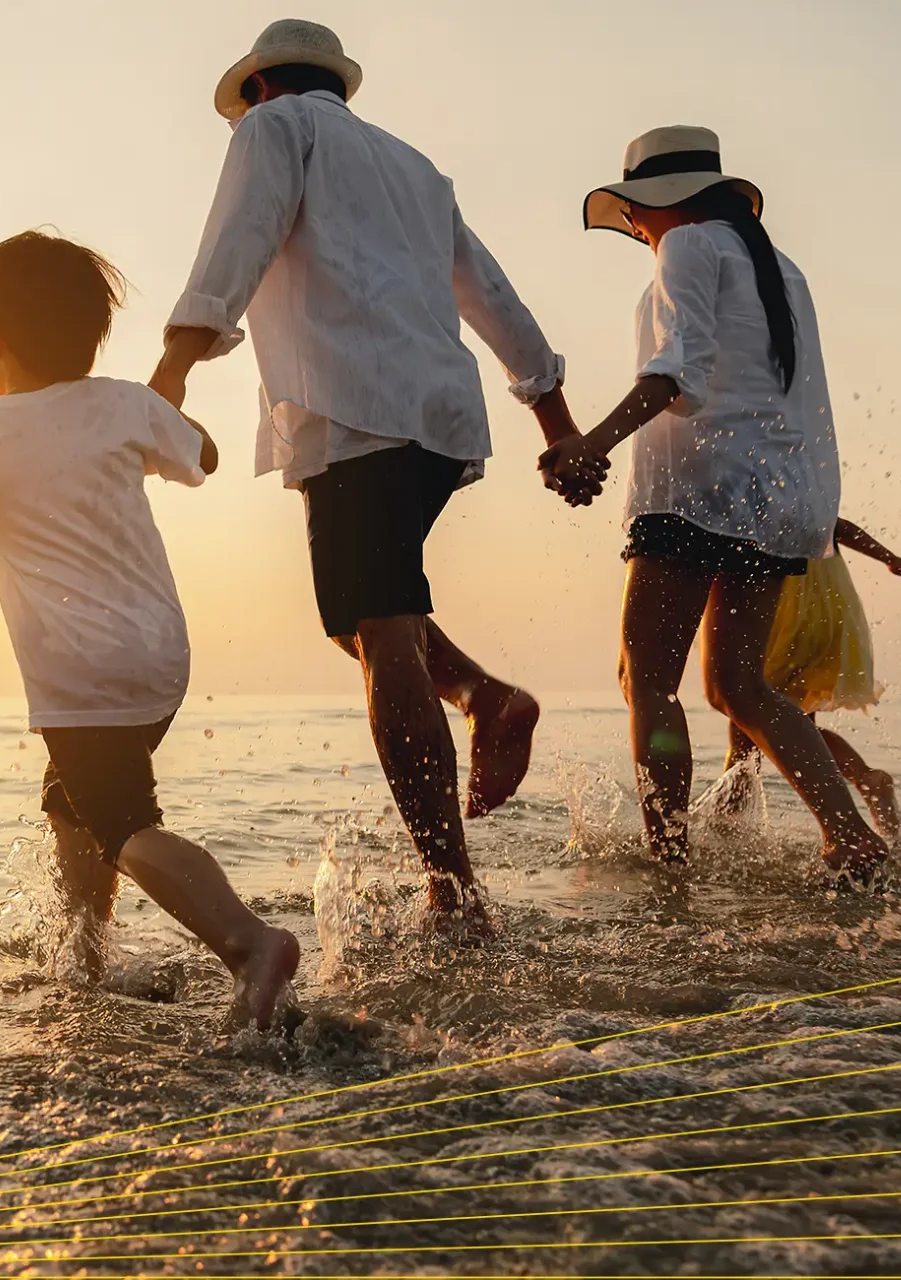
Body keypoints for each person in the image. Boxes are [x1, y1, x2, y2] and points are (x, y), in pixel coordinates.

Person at [148, 18, 581, 937]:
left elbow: (237, 242)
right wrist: (555, 419)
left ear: (259, 88)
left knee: (378, 630)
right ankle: (485, 698)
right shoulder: (416, 169)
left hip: (354, 407)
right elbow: (491, 293)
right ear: (335, 84)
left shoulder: (273, 129)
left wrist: (172, 372)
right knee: (367, 612)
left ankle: (454, 892)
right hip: (437, 418)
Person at [0, 230, 301, 1030]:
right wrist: (164, 417)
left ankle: (248, 943)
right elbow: (204, 456)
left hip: (83, 675)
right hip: (160, 660)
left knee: (122, 823)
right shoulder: (124, 404)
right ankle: (86, 957)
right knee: (72, 802)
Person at [539, 126, 890, 882]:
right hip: (777, 501)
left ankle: (668, 861)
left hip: (698, 492)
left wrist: (591, 443)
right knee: (738, 685)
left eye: (633, 209)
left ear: (663, 201)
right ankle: (849, 835)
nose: (634, 225)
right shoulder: (781, 267)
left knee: (647, 681)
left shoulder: (688, 245)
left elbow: (678, 375)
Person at [713, 517, 901, 838]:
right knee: (793, 721)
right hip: (826, 610)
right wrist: (889, 558)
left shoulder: (759, 498)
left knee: (746, 707)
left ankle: (729, 818)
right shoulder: (809, 498)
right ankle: (864, 779)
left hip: (782, 611)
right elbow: (839, 526)